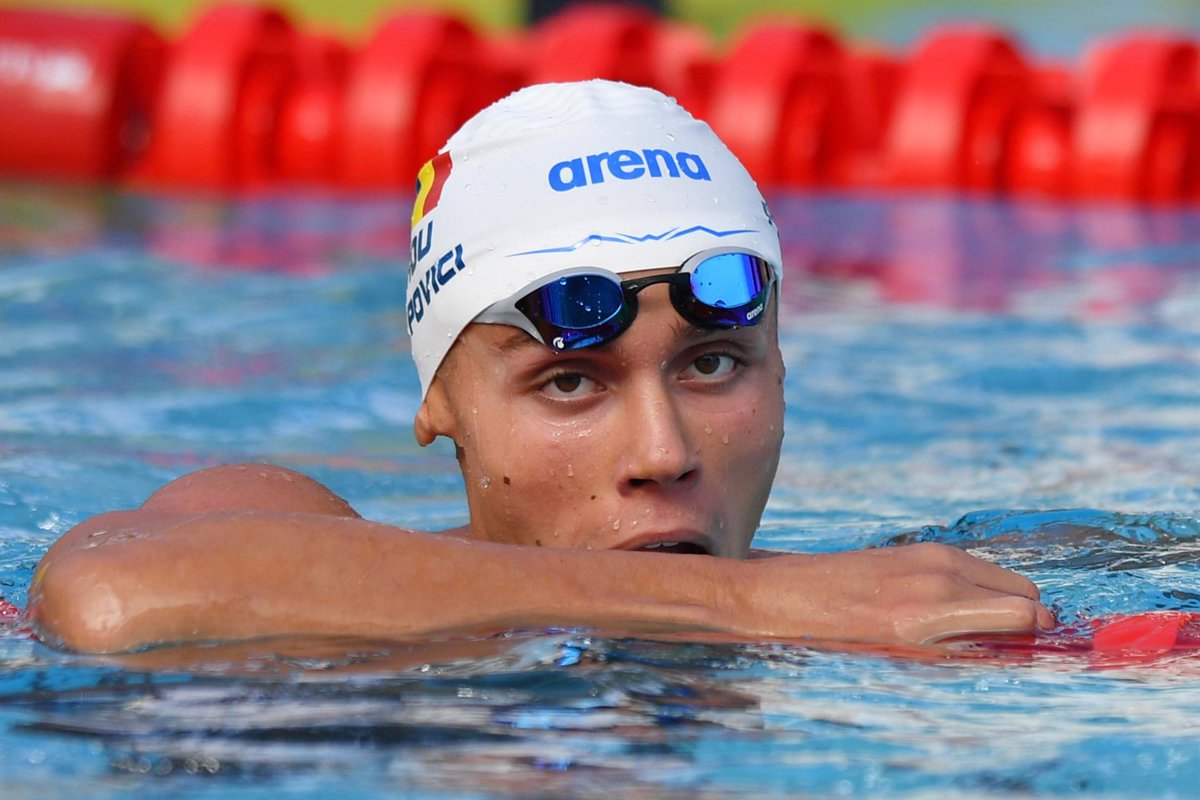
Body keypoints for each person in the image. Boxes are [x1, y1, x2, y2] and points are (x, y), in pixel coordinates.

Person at [29, 80, 1053, 654]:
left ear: (779, 368)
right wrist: (757, 606)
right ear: (441, 401)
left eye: (713, 365)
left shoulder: (901, 595)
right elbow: (110, 595)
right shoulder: (289, 540)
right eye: (570, 381)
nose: (663, 453)